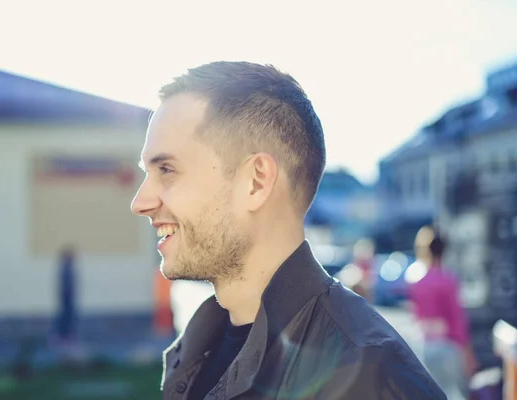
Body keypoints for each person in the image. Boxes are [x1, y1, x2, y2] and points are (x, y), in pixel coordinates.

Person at [131, 61, 445, 399]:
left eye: (167, 169)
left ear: (256, 181)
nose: (140, 202)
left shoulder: (367, 376)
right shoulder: (202, 347)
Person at [407, 226, 478, 399]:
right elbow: (457, 319)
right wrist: (468, 353)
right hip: (448, 346)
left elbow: (415, 315)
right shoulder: (448, 279)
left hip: (424, 345)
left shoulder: (416, 280)